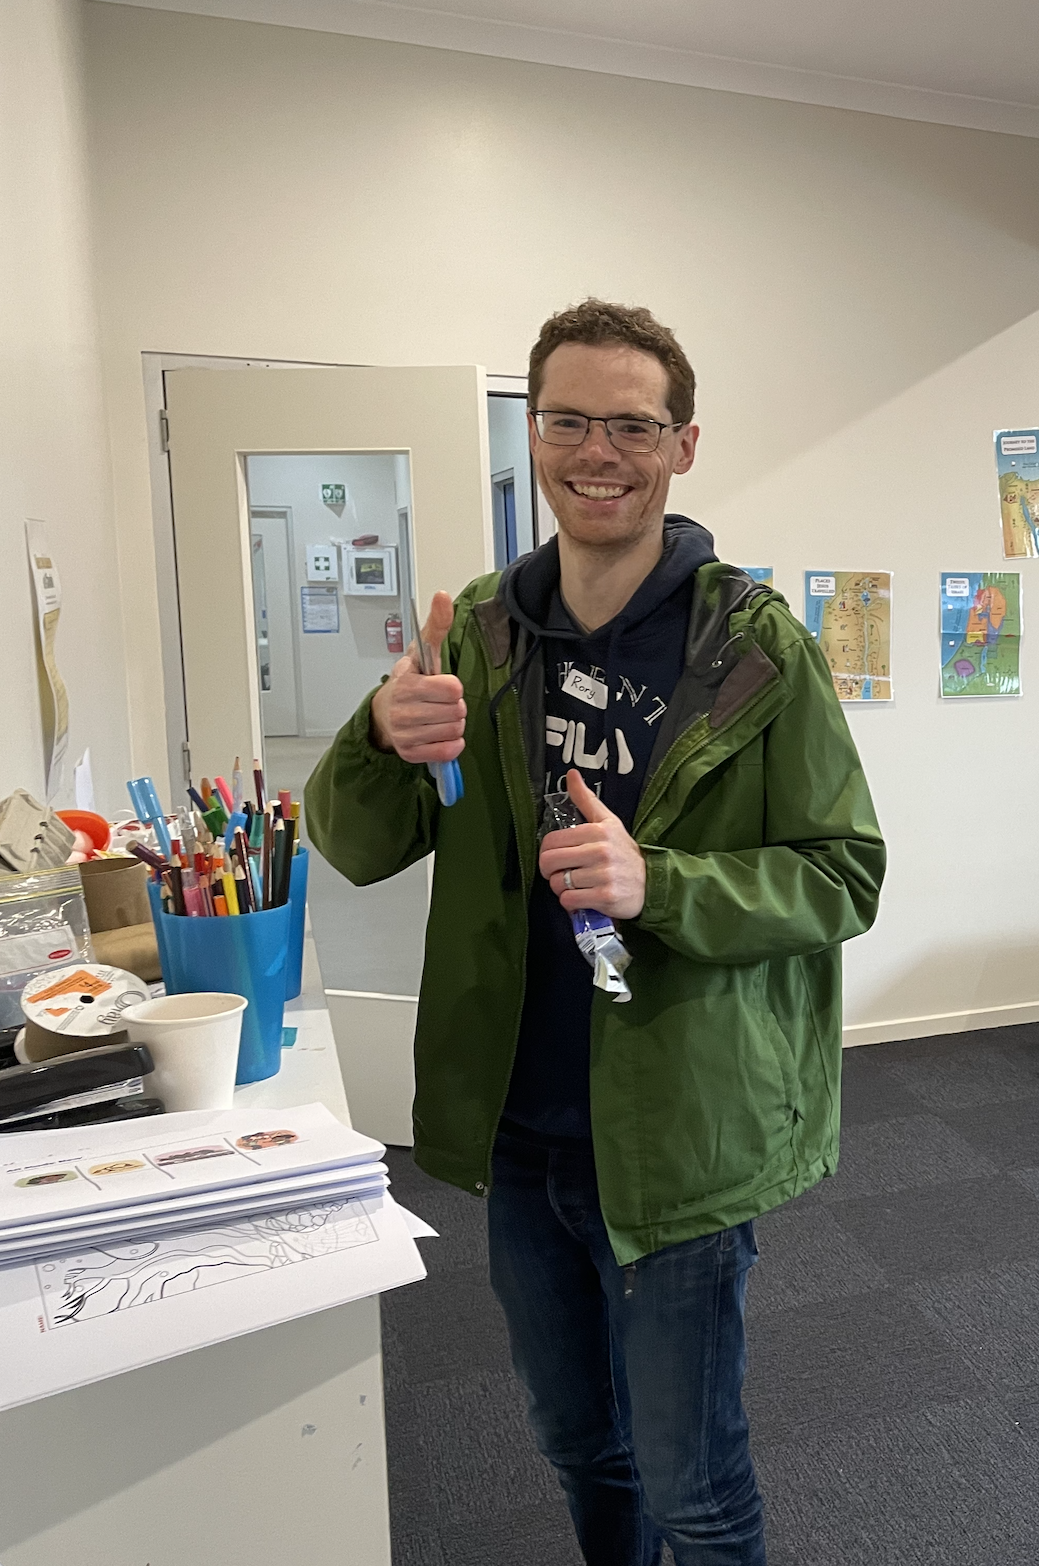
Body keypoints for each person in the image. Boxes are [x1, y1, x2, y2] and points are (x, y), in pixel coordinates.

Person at [304, 298, 884, 1565]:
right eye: (568, 419)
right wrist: (379, 738)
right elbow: (353, 842)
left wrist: (656, 882)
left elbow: (843, 877)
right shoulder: (480, 630)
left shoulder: (754, 648)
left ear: (683, 446)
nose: (597, 451)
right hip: (519, 1123)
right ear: (535, 432)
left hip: (679, 1131)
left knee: (695, 1491)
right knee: (578, 1446)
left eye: (632, 423)